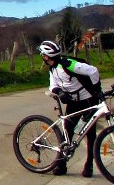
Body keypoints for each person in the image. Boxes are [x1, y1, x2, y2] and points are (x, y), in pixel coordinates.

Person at [38, 40, 102, 177]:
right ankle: (62, 164)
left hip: (89, 100)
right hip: (73, 102)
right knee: (68, 130)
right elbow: (52, 85)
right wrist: (60, 93)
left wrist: (97, 90)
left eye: (42, 54)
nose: (42, 57)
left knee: (90, 133)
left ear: (46, 56)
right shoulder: (53, 68)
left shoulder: (68, 64)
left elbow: (93, 71)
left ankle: (89, 165)